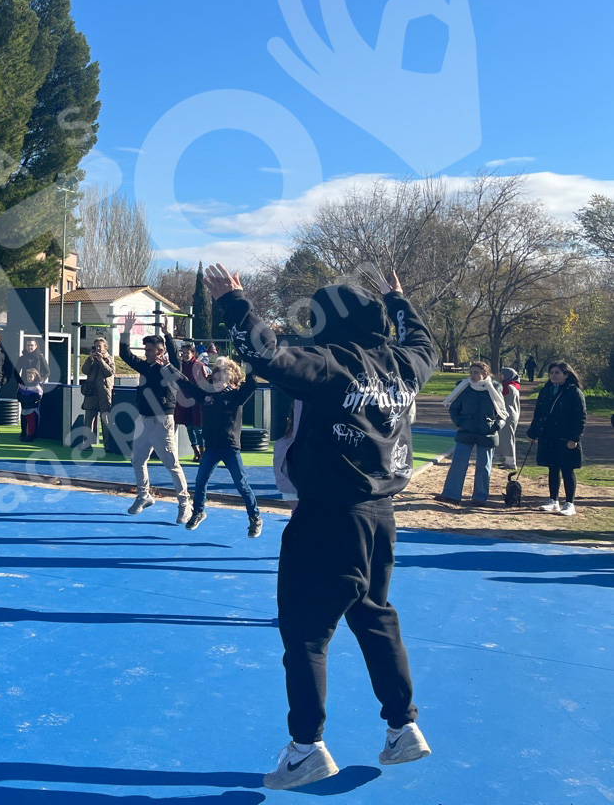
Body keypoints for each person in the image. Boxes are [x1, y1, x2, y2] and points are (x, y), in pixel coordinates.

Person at [206, 263, 435, 790]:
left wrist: (235, 302)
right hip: (381, 517)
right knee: (375, 617)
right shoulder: (406, 365)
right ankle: (403, 726)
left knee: (306, 632)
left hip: (329, 515)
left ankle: (306, 747)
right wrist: (398, 300)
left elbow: (266, 354)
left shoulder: (333, 365)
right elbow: (424, 340)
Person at [119, 311, 192, 524]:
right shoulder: (145, 366)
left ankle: (184, 503)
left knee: (172, 464)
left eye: (150, 350)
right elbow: (125, 355)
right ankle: (143, 495)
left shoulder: (170, 369)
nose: (146, 352)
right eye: (145, 349)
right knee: (137, 460)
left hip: (163, 421)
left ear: (160, 351)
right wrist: (125, 331)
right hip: (143, 420)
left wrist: (168, 335)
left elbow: (177, 362)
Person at [179, 356, 262, 537]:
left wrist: (248, 357)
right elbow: (186, 384)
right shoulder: (207, 397)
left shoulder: (236, 396)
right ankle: (198, 511)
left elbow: (251, 383)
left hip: (230, 448)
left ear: (230, 380)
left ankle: (254, 517)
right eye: (213, 379)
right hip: (212, 448)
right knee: (200, 481)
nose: (215, 382)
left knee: (241, 484)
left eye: (219, 379)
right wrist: (169, 366)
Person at [436, 362, 506, 507]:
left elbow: (502, 412)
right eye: (471, 372)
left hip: (487, 432)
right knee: (458, 463)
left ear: (485, 374)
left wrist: (495, 426)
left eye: (476, 372)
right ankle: (451, 495)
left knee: (484, 466)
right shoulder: (463, 388)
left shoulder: (494, 389)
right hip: (466, 430)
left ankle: (480, 497)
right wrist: (459, 422)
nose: (473, 376)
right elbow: (454, 409)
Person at [527, 361, 585, 516]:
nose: (554, 375)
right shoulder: (545, 390)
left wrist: (574, 438)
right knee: (552, 468)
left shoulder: (574, 392)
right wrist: (533, 433)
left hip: (566, 437)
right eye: (552, 372)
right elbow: (538, 413)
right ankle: (553, 500)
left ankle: (569, 503)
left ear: (566, 375)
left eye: (557, 373)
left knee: (567, 469)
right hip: (548, 435)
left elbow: (580, 417)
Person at [174, 340, 210, 462]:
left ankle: (203, 452)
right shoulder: (179, 366)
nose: (184, 355)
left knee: (197, 427)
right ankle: (195, 452)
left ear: (193, 353)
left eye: (186, 353)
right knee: (188, 426)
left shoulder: (200, 366)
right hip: (183, 399)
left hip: (197, 400)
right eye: (182, 353)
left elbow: (206, 383)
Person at [80, 338, 114, 448]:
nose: (98, 348)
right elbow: (85, 371)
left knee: (106, 420)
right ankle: (87, 443)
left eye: (100, 346)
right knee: (89, 419)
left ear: (105, 347)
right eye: (96, 346)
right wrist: (90, 359)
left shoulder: (109, 358)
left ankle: (107, 444)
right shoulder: (91, 359)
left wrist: (101, 361)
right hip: (92, 393)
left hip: (104, 392)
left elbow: (109, 372)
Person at [498, 367, 522, 470]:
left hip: (508, 415)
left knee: (508, 438)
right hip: (511, 414)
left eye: (502, 374)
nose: (500, 376)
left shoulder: (508, 387)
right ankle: (507, 460)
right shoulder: (514, 386)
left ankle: (511, 462)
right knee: (506, 438)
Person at [16, 367, 43, 442]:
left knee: (31, 421)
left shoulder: (36, 387)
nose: (29, 378)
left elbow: (38, 396)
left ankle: (31, 435)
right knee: (23, 421)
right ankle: (23, 433)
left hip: (32, 407)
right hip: (24, 406)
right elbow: (18, 393)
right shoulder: (23, 385)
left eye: (31, 377)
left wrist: (29, 401)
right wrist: (21, 400)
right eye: (28, 377)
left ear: (35, 377)